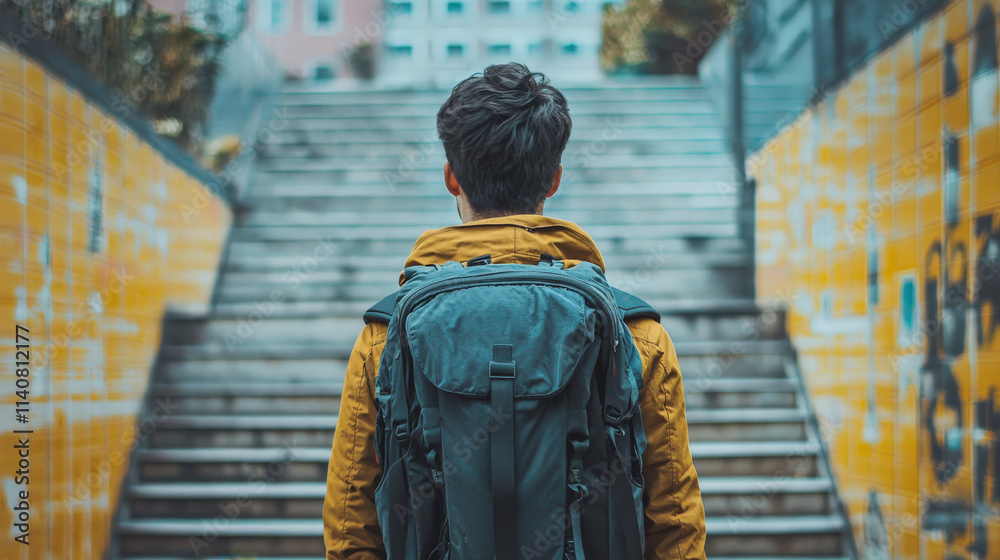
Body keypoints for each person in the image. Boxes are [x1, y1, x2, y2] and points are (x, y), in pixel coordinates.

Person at [323, 62, 706, 560]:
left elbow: (352, 527)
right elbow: (674, 523)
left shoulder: (385, 336)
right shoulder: (638, 335)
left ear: (451, 178)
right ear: (553, 179)